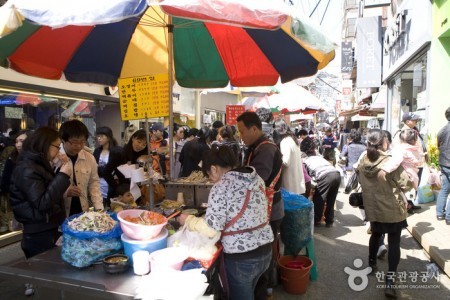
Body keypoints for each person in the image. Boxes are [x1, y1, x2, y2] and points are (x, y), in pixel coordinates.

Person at [180, 145, 273, 300]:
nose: (210, 179)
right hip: (265, 252)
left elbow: (212, 229)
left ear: (214, 169)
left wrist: (188, 220)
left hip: (241, 259)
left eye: (209, 174)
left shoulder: (221, 186)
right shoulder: (256, 179)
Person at [356, 129, 413, 298]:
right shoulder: (390, 163)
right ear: (385, 143)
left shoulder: (362, 161)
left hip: (373, 207)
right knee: (394, 242)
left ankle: (372, 264)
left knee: (375, 234)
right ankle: (389, 281)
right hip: (392, 208)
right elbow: (406, 184)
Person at [236, 111, 283, 300]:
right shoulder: (257, 147)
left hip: (269, 211)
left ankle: (264, 291)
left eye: (242, 131)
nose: (240, 136)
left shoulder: (266, 149)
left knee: (264, 253)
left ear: (254, 129)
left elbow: (255, 181)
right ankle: (262, 289)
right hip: (263, 209)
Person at [9, 127, 72, 258]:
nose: (58, 152)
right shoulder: (27, 168)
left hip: (48, 228)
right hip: (39, 232)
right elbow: (42, 203)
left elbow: (47, 190)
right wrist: (63, 175)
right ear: (45, 144)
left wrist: (57, 169)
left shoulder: (37, 164)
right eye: (57, 147)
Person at [59, 120, 103, 216]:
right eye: (74, 142)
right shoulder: (55, 158)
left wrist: (99, 207)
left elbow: (94, 183)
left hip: (82, 210)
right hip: (60, 212)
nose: (79, 146)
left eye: (82, 142)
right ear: (63, 140)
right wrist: (65, 192)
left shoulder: (89, 158)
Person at [300, 137, 341, 227]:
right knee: (331, 199)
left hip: (325, 176)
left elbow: (307, 178)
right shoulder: (319, 158)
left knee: (319, 199)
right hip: (336, 174)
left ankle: (316, 220)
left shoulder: (305, 161)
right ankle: (329, 220)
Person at [393, 112, 426, 212]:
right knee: (407, 185)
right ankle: (405, 206)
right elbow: (397, 149)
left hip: (418, 163)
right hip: (407, 165)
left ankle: (410, 203)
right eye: (414, 120)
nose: (416, 121)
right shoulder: (401, 133)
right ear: (407, 121)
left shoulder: (415, 131)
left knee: (415, 185)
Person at [1, 130, 30, 231]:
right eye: (17, 141)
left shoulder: (37, 160)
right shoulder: (12, 160)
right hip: (17, 205)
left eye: (22, 141)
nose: (18, 144)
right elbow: (4, 184)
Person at [93, 126, 126, 209]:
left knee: (112, 207)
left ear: (108, 137)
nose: (99, 138)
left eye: (102, 136)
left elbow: (120, 169)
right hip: (99, 184)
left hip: (113, 184)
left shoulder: (116, 151)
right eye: (98, 136)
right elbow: (94, 167)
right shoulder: (97, 151)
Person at [273, 118, 305, 195]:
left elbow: (286, 162)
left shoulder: (285, 141)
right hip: (298, 185)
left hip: (290, 187)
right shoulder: (293, 139)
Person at [436, 107, 450, 224]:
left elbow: (438, 146)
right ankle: (449, 217)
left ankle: (440, 213)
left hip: (444, 163)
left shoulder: (442, 130)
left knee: (444, 188)